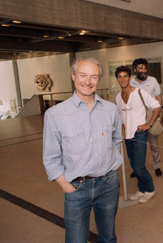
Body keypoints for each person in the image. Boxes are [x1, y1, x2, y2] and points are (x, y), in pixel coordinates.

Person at [43, 57, 123, 243]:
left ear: (99, 80)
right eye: (82, 75)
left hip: (108, 185)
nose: (87, 81)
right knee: (76, 240)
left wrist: (111, 168)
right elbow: (50, 157)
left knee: (108, 236)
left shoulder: (110, 110)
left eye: (93, 77)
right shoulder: (55, 114)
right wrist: (66, 186)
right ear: (73, 76)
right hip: (76, 188)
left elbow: (116, 140)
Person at [115, 65, 161, 203]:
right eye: (120, 76)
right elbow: (121, 115)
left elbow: (157, 106)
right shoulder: (118, 97)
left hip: (139, 134)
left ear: (129, 77)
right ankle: (141, 189)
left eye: (125, 76)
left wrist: (149, 123)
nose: (123, 79)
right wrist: (122, 129)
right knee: (134, 165)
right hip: (128, 136)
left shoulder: (139, 92)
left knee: (140, 166)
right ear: (117, 79)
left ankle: (150, 189)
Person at [130, 58, 163, 177]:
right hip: (137, 120)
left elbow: (159, 99)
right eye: (140, 68)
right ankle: (138, 168)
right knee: (138, 147)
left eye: (144, 68)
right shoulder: (130, 83)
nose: (143, 70)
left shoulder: (153, 81)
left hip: (151, 118)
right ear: (135, 70)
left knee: (154, 146)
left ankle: (157, 166)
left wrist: (157, 116)